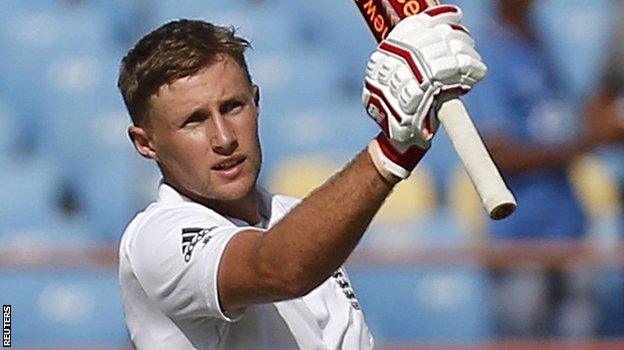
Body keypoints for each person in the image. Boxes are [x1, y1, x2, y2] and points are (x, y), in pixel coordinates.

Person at [116, 6, 486, 349]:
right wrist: (394, 149)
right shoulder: (154, 239)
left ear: (256, 101)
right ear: (145, 143)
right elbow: (278, 269)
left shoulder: (293, 218)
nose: (224, 138)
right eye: (194, 121)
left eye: (233, 107)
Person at [465, 0, 624, 338]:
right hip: (521, 237)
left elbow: (570, 120)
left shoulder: (540, 46)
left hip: (568, 231)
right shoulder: (490, 54)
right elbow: (498, 155)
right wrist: (582, 144)